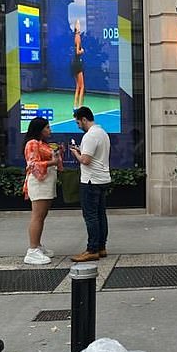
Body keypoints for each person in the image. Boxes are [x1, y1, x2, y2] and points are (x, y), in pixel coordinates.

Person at [70, 106, 111, 262]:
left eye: (78, 122)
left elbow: (85, 160)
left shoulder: (90, 136)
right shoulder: (102, 133)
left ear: (84, 119)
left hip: (90, 180)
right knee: (101, 215)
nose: (78, 126)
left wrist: (75, 153)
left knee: (91, 216)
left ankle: (92, 249)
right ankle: (101, 247)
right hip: (102, 179)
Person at [22, 117, 62, 265]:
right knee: (37, 216)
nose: (49, 130)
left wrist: (56, 155)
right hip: (39, 183)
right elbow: (32, 165)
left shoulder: (42, 144)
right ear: (39, 129)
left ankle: (37, 245)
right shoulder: (32, 143)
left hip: (46, 182)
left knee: (41, 215)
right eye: (47, 128)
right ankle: (32, 250)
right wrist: (53, 161)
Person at [71, 19, 86, 109]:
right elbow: (77, 52)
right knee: (82, 86)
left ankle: (75, 106)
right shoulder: (78, 37)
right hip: (77, 64)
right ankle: (80, 106)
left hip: (74, 63)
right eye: (78, 25)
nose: (79, 25)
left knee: (78, 86)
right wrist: (82, 51)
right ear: (76, 29)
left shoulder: (75, 37)